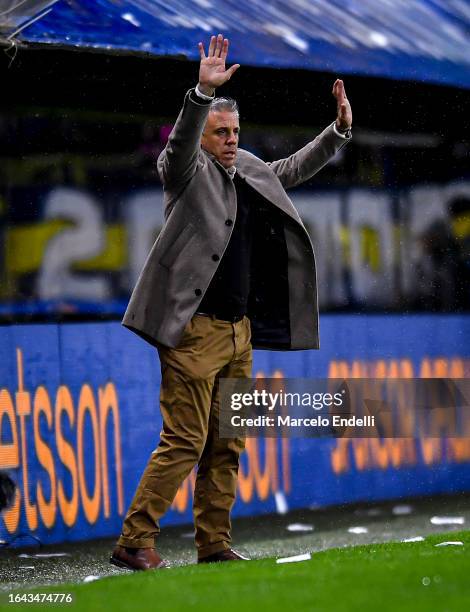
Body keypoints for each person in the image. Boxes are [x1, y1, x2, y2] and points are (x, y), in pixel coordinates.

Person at [111, 34, 352, 570]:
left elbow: (289, 170)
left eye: (235, 132)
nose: (228, 140)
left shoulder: (246, 167)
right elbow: (178, 148)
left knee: (228, 442)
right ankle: (135, 539)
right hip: (194, 331)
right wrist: (201, 93)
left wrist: (337, 133)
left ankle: (214, 543)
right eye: (220, 132)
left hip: (238, 333)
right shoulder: (186, 171)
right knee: (185, 440)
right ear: (201, 136)